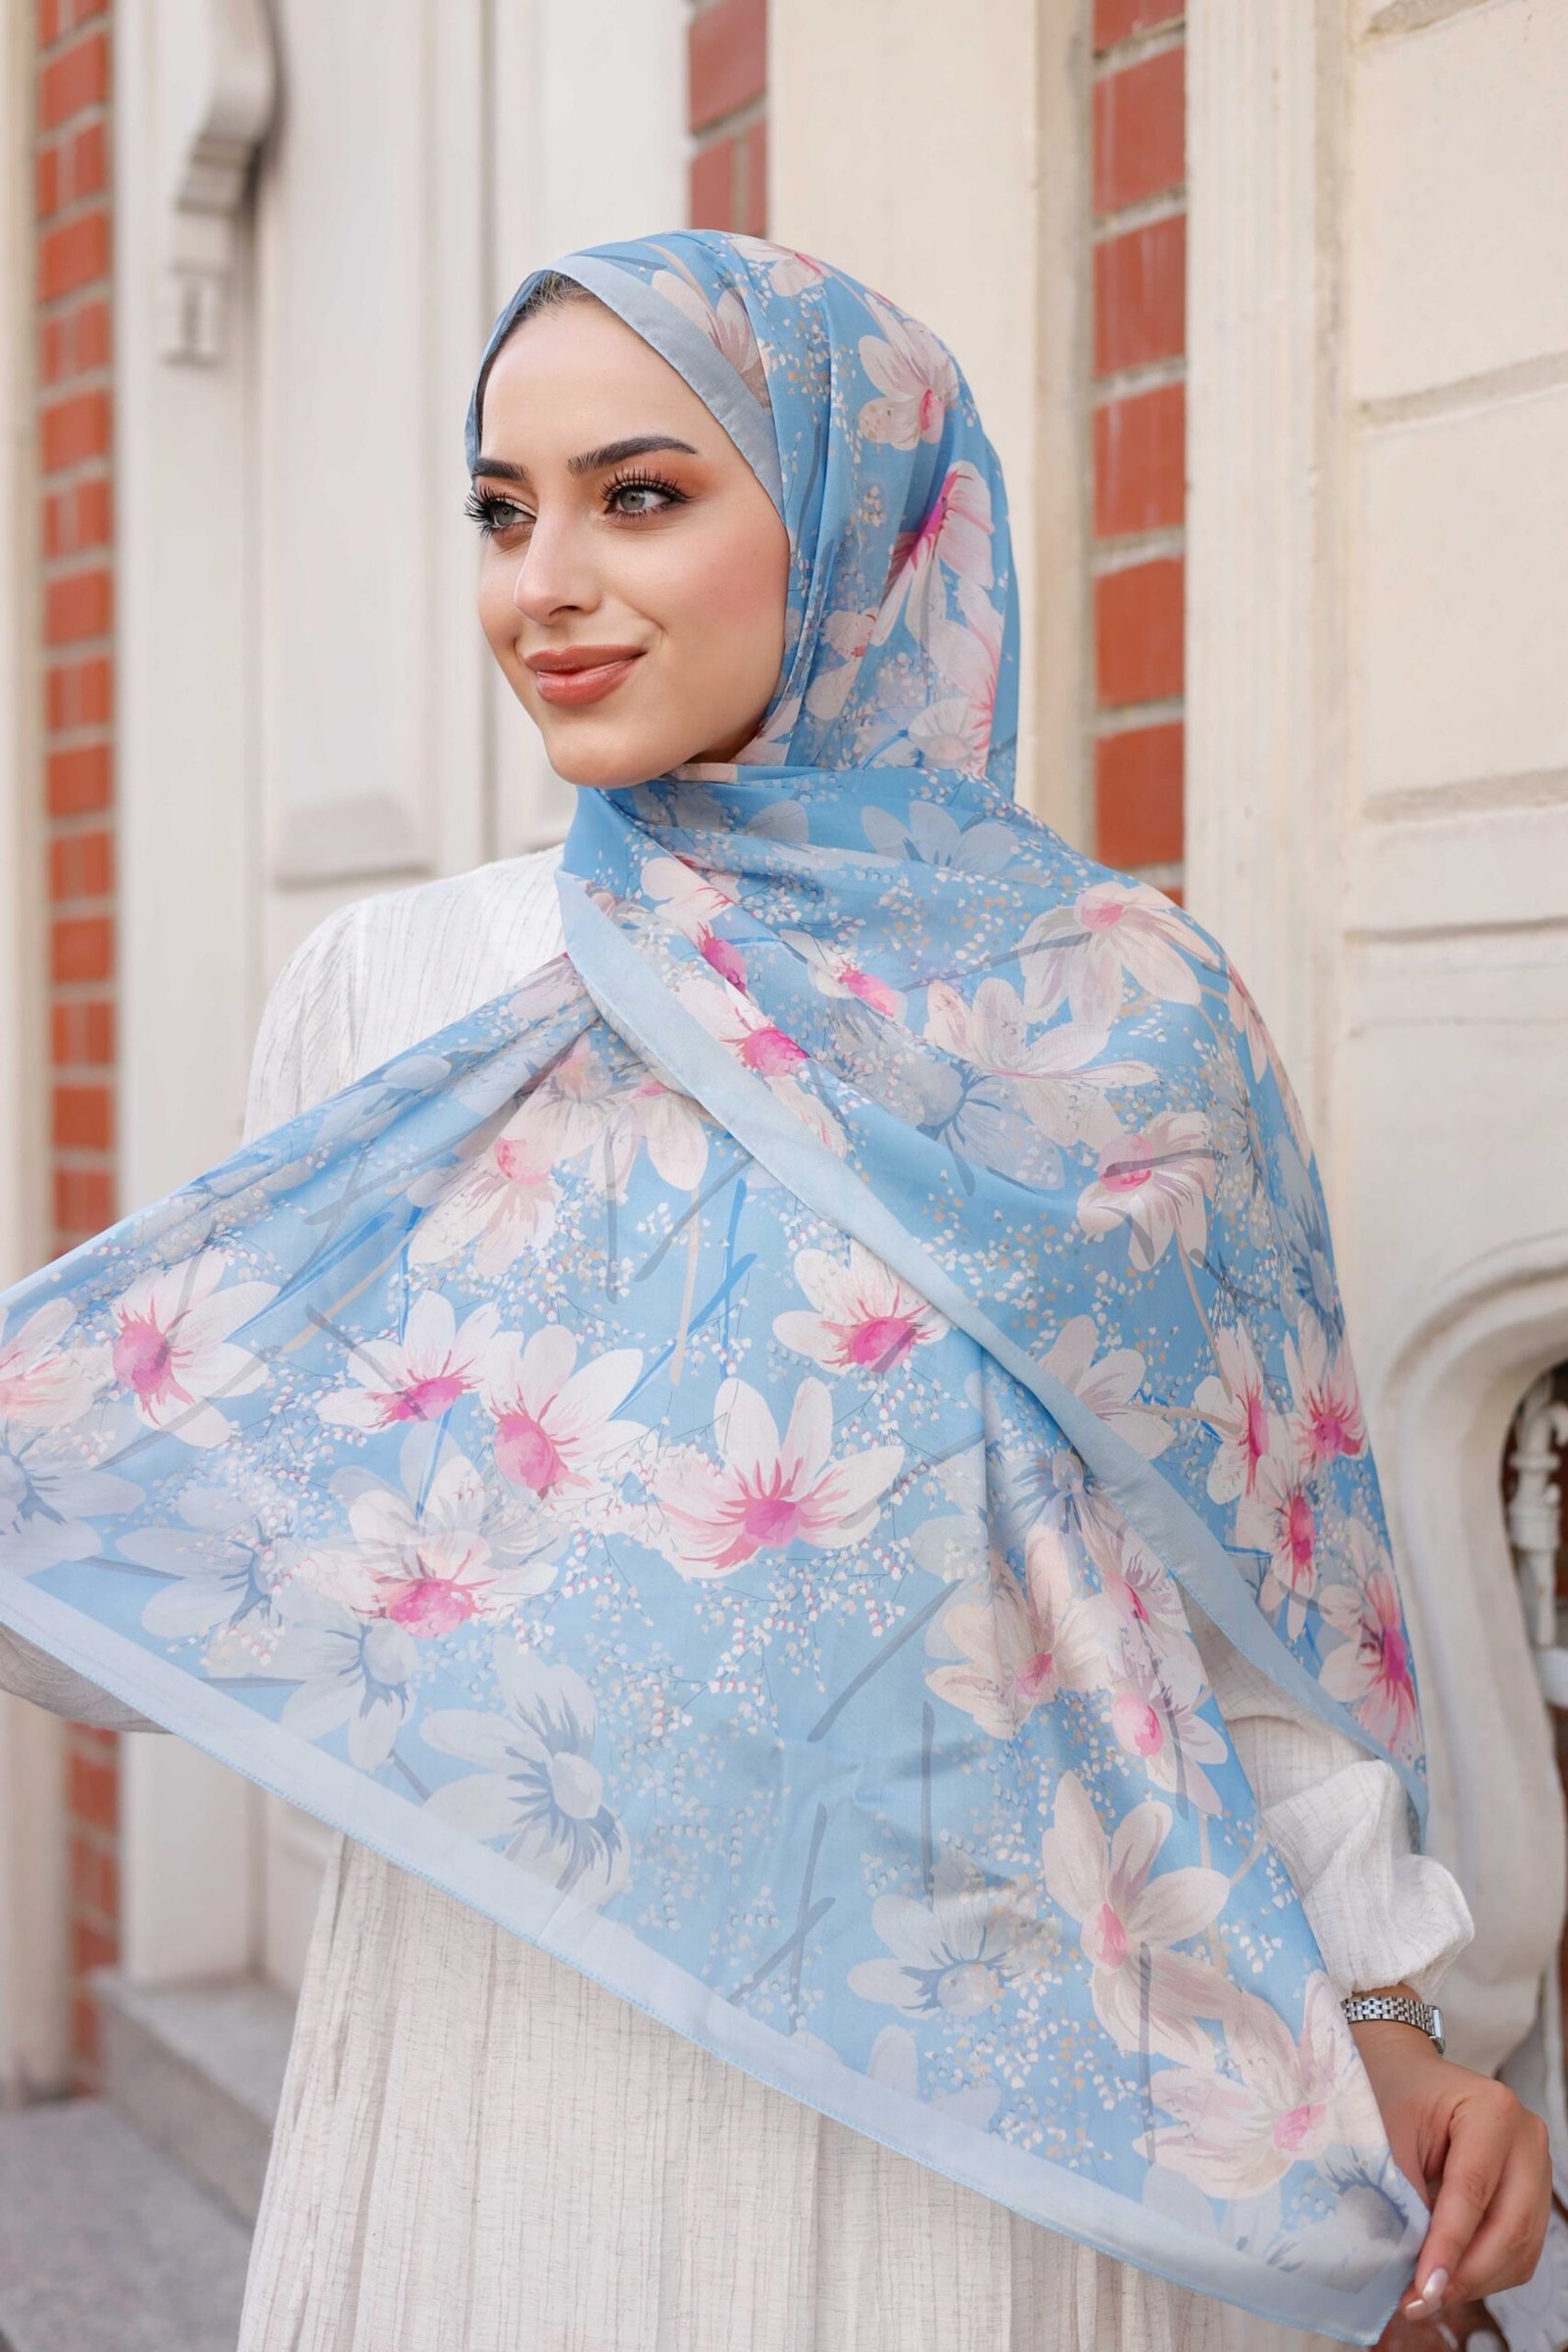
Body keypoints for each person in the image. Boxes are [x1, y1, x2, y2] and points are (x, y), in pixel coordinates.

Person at [0, 230, 1552, 2351]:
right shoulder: (398, 990)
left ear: (850, 523)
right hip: (506, 2057)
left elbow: (1232, 1635)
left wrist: (1380, 2021)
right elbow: (225, 1519)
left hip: (998, 2106)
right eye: (500, 511)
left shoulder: (1112, 1018)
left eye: (638, 495)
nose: (542, 585)